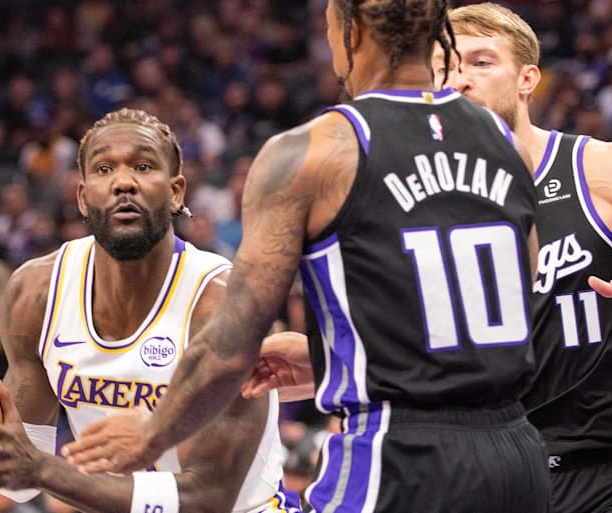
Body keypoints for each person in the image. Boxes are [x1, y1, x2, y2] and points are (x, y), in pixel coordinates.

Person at [61, 2, 547, 512]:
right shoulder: (499, 139)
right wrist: (328, 360)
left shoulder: (314, 151)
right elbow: (516, 309)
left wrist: (151, 431)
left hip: (398, 457)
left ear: (351, 32)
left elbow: (232, 342)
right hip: (515, 453)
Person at [0, 108, 299, 513]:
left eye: (142, 166)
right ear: (83, 198)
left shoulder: (219, 302)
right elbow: (21, 479)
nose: (124, 182)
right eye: (104, 169)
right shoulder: (34, 293)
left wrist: (42, 471)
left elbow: (207, 498)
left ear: (176, 191)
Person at [427, 5, 612, 512]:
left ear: (527, 79)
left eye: (480, 62)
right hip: (497, 483)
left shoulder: (604, 170)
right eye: (445, 67)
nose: (459, 80)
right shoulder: (426, 208)